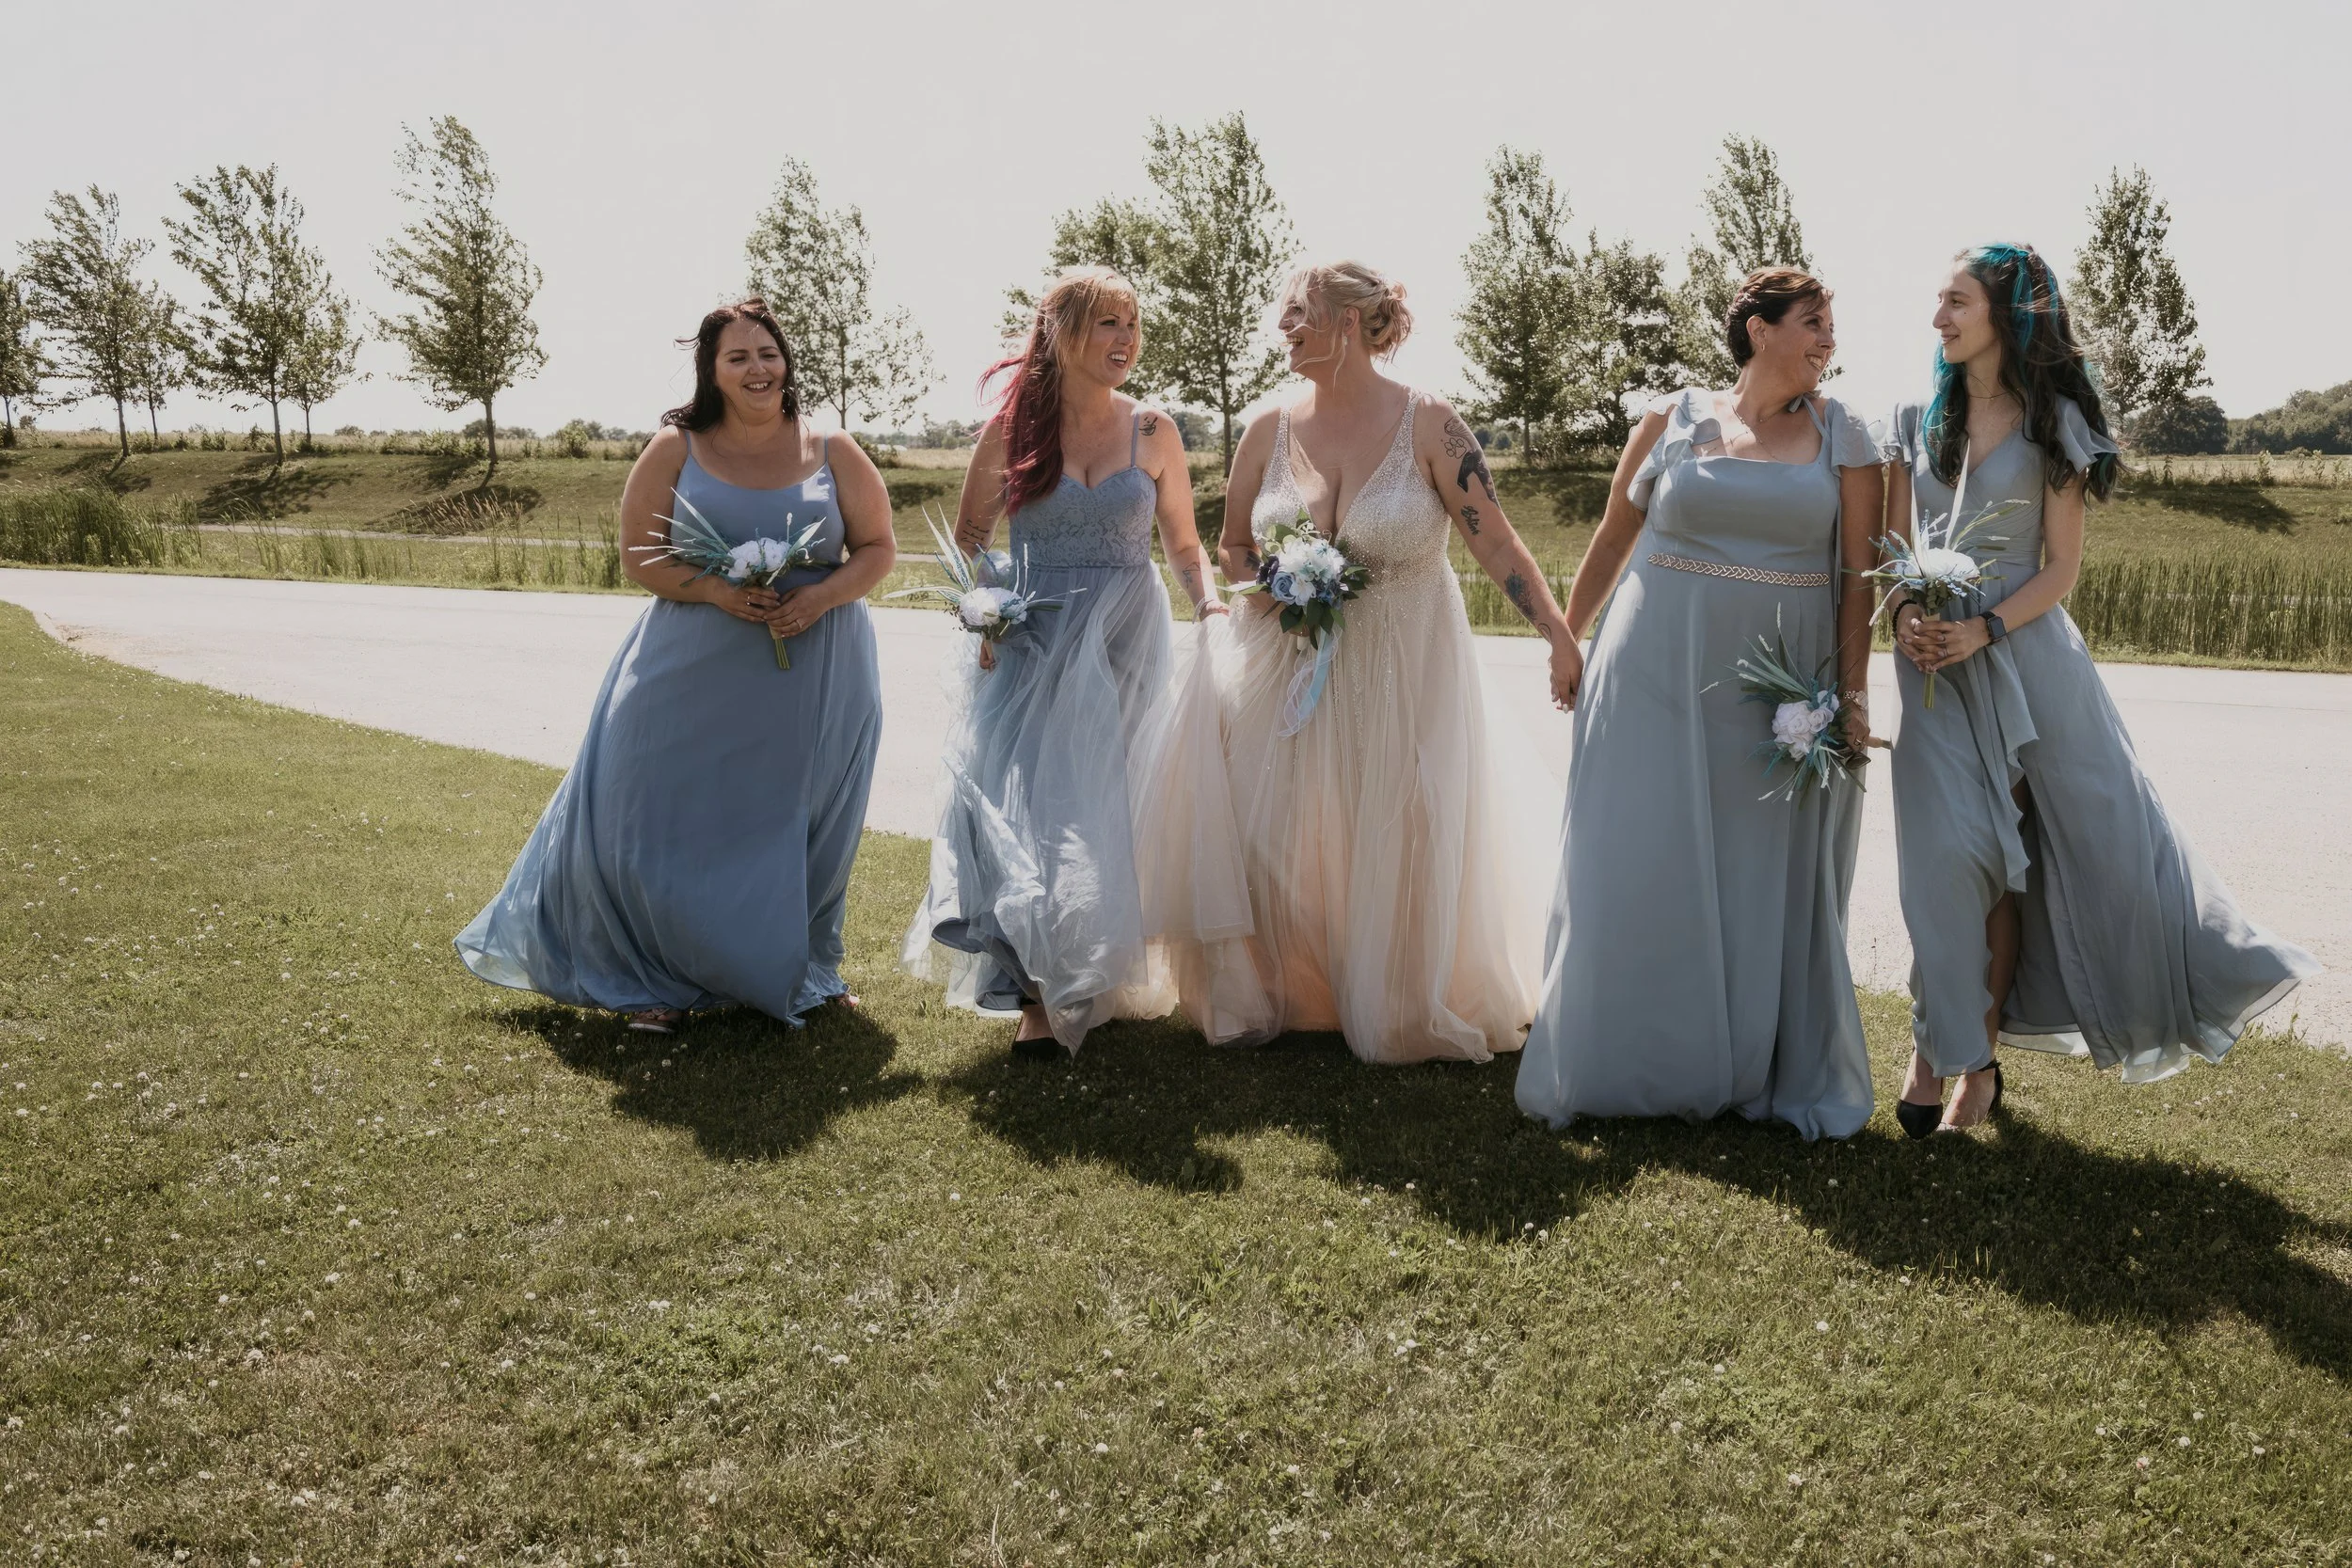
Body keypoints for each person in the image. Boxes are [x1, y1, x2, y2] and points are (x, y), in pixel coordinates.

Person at [1884, 244, 2318, 1132]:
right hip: (1928, 671)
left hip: (2020, 661)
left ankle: (1972, 1060)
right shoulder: (1912, 422)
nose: (1938, 317)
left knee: (2009, 865)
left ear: (2005, 314)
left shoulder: (2055, 428)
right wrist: (1902, 616)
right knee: (1943, 859)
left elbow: (2063, 569)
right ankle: (1939, 1043)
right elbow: (1892, 551)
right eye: (1938, 301)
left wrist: (1984, 627)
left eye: (1955, 300)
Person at [1148, 260, 1576, 1064]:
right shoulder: (1266, 429)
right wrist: (1271, 583)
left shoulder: (1430, 423)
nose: (1284, 325)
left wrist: (1555, 629)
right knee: (1285, 829)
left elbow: (1497, 539)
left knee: (1401, 819)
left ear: (1348, 323)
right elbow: (1234, 545)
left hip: (1408, 663)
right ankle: (1305, 990)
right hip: (1286, 662)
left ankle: (1401, 990)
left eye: (1297, 311)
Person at [1515, 268, 1883, 1140]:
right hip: (1650, 670)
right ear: (1759, 330)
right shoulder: (1671, 416)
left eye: (1833, 323)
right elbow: (1614, 534)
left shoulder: (1847, 436)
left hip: (1779, 692)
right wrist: (1569, 638)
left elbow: (1856, 579)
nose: (1829, 339)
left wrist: (1853, 695)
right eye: (1813, 322)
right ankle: (1631, 1056)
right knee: (1641, 850)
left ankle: (1749, 1063)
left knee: (1759, 867)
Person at [457, 299, 895, 1032]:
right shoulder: (677, 446)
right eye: (739, 358)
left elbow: (878, 547)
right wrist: (720, 591)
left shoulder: (834, 450)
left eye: (768, 353)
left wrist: (818, 599)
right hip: (692, 660)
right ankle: (646, 975)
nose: (759, 369)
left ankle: (808, 966)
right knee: (654, 811)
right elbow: (639, 555)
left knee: (803, 823)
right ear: (712, 371)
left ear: (785, 361)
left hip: (816, 669)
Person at [902, 267, 1226, 1057]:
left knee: (1113, 806)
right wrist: (982, 608)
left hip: (1126, 637)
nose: (1125, 339)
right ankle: (1039, 995)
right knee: (1036, 810)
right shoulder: (1011, 433)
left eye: (1131, 324)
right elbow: (972, 544)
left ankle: (1096, 968)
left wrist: (1209, 603)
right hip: (1036, 638)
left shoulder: (1154, 431)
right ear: (1062, 334)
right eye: (1107, 323)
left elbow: (1184, 545)